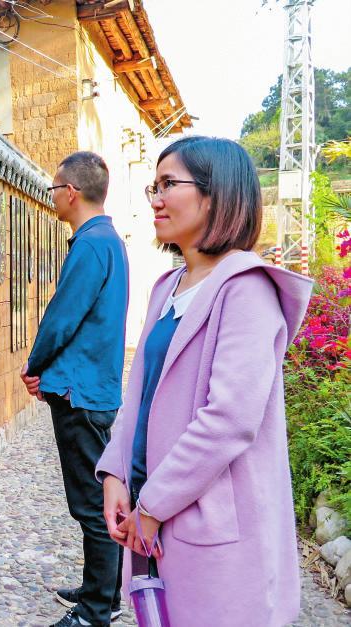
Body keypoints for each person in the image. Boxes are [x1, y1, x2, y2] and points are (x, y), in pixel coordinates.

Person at [95, 136, 312, 626]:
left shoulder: (247, 290)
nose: (155, 198)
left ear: (217, 194)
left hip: (208, 521)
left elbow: (229, 419)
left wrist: (152, 503)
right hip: (152, 515)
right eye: (155, 184)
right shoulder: (167, 288)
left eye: (169, 184)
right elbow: (139, 395)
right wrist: (113, 474)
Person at [21, 151, 129, 627]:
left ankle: (94, 613)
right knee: (97, 498)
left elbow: (63, 316)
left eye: (53, 188)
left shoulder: (89, 244)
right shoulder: (109, 240)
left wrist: (35, 364)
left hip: (79, 393)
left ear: (70, 191)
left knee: (91, 504)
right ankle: (103, 591)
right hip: (93, 386)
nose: (53, 197)